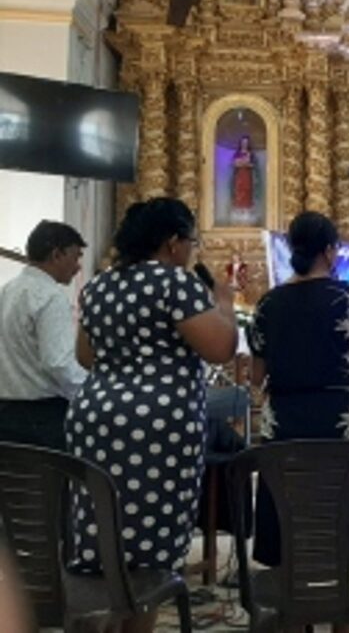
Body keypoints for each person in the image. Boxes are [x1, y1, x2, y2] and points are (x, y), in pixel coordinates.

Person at [66, 198, 237, 633]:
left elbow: (86, 357)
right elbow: (220, 348)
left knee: (108, 535)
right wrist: (224, 302)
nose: (192, 251)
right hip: (158, 427)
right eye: (191, 242)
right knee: (151, 550)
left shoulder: (101, 285)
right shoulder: (174, 284)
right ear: (172, 242)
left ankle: (108, 621)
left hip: (96, 417)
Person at [248, 211, 349, 581]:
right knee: (342, 517)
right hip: (343, 428)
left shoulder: (267, 304)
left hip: (286, 426)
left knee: (291, 516)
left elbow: (255, 376)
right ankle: (344, 613)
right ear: (328, 251)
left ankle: (291, 603)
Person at [0, 220, 87, 450]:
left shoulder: (8, 289)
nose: (78, 267)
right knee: (50, 485)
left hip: (5, 411)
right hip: (42, 416)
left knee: (14, 485)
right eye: (76, 257)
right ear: (57, 254)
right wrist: (91, 391)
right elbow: (58, 363)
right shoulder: (50, 295)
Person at [231, 135, 256, 214]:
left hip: (247, 175)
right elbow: (234, 164)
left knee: (247, 191)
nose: (244, 144)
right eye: (243, 142)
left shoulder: (251, 154)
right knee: (239, 191)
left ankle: (246, 209)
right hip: (239, 175)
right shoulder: (237, 153)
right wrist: (244, 162)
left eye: (246, 142)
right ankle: (239, 209)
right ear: (241, 143)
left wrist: (243, 163)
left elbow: (252, 165)